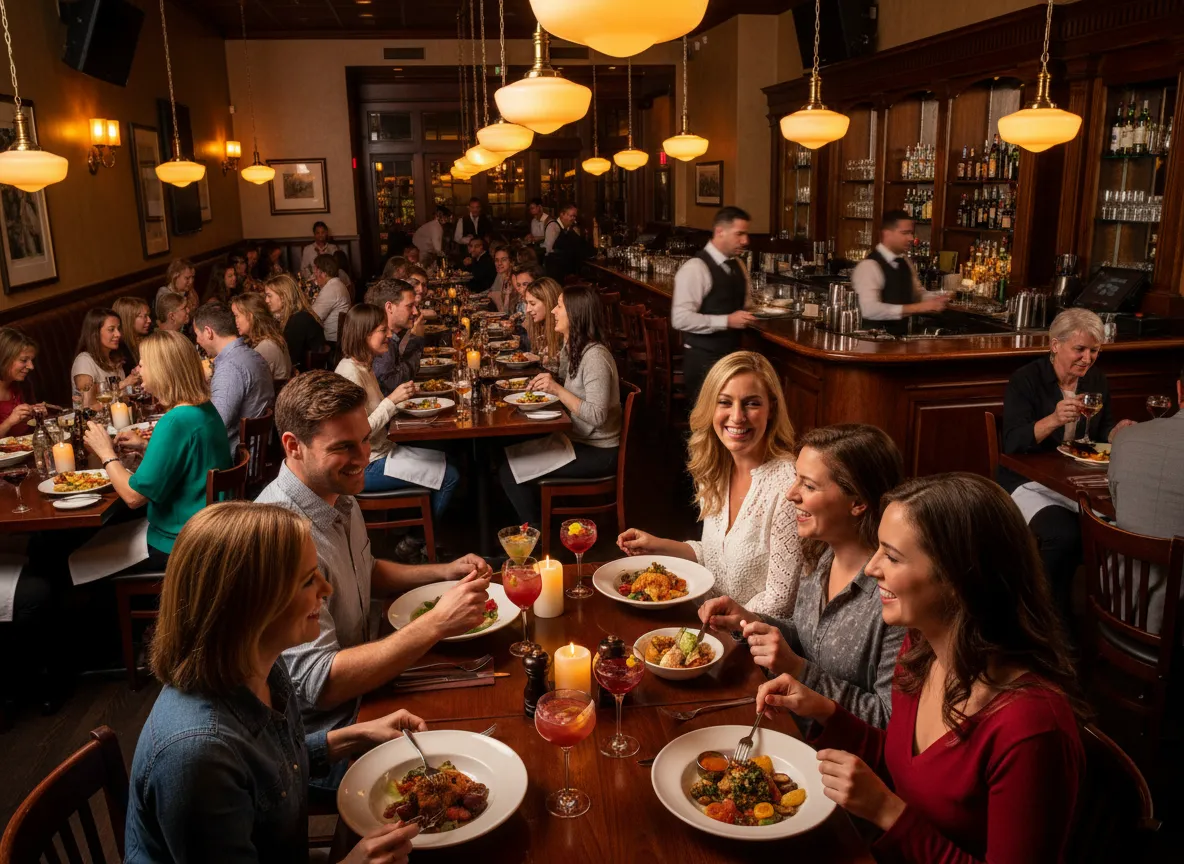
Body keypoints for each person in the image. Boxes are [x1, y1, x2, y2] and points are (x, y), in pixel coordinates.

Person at [757, 473, 1084, 863]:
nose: (872, 568)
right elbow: (910, 768)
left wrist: (887, 812)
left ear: (959, 578)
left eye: (892, 556)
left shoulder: (1031, 729)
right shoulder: (920, 651)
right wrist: (823, 710)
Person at [124, 502, 424, 864]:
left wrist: (355, 735)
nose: (326, 588)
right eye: (308, 580)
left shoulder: (264, 665)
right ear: (252, 605)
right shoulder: (197, 757)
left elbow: (273, 771)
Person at [255, 371, 494, 782]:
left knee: (490, 695)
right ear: (293, 446)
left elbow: (366, 572)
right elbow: (319, 685)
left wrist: (444, 571)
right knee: (479, 762)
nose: (364, 456)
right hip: (324, 735)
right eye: (344, 447)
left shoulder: (336, 492)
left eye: (365, 439)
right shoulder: (278, 535)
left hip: (369, 686)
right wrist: (436, 622)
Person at [698, 424, 906, 727]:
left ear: (858, 502)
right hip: (786, 727)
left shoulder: (894, 598)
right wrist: (750, 621)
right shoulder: (822, 556)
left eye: (808, 486)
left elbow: (888, 721)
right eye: (796, 479)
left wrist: (799, 670)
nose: (791, 494)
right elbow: (808, 638)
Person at [617, 351, 801, 616]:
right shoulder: (718, 468)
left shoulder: (787, 487)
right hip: (705, 624)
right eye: (725, 402)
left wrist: (721, 624)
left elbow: (781, 602)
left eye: (751, 403)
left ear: (771, 409)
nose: (737, 417)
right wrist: (657, 544)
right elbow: (717, 558)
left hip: (750, 640)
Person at [1000, 307, 1133, 617]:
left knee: (1113, 530)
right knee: (1064, 536)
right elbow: (1012, 442)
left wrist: (1119, 433)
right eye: (1080, 349)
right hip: (1028, 482)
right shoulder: (1026, 379)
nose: (1087, 358)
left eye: (1094, 350)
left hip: (1073, 481)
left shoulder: (1096, 379)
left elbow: (1104, 430)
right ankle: (1047, 623)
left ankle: (1104, 620)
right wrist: (1053, 419)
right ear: (1055, 345)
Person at [78, 330, 232, 572]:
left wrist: (106, 453)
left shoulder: (175, 420)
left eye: (142, 364)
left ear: (162, 369)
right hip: (207, 531)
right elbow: (194, 459)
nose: (138, 370)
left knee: (77, 561)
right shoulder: (202, 408)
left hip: (179, 545)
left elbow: (133, 497)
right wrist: (146, 446)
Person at [498, 284, 621, 526]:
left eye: (560, 306)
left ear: (575, 314)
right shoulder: (577, 348)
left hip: (598, 451)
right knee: (504, 452)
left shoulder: (595, 356)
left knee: (508, 471)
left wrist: (556, 388)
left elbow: (596, 415)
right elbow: (565, 381)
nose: (554, 311)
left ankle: (534, 537)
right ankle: (532, 527)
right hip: (578, 439)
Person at [335, 304, 459, 513]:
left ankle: (415, 528)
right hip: (365, 465)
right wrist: (391, 401)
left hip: (384, 451)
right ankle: (418, 540)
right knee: (450, 476)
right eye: (383, 330)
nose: (390, 335)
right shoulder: (349, 373)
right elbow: (355, 436)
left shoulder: (364, 365)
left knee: (448, 456)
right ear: (364, 335)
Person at [1105, 365, 1184, 638]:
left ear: (1179, 391)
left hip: (1117, 600)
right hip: (1173, 624)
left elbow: (1119, 506)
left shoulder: (1126, 438)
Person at [672, 206, 758, 404]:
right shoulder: (695, 268)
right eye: (740, 234)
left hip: (732, 359)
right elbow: (680, 318)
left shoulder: (739, 265)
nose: (745, 241)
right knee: (704, 423)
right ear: (720, 231)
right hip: (703, 360)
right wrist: (727, 321)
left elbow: (745, 304)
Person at [852, 210, 948, 336]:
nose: (911, 238)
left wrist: (937, 298)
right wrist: (919, 307)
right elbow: (869, 309)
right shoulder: (869, 266)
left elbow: (917, 294)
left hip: (899, 342)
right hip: (872, 344)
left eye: (911, 233)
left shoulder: (905, 262)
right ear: (887, 234)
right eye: (905, 233)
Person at [194, 303, 275, 452]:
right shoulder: (253, 355)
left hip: (237, 460)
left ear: (208, 332)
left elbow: (216, 424)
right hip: (258, 451)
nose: (198, 341)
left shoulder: (230, 366)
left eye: (197, 334)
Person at [365, 279, 424, 396]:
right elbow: (393, 384)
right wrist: (416, 339)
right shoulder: (380, 340)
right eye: (410, 306)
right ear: (390, 307)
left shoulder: (394, 334)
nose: (415, 312)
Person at [71, 307, 140, 409]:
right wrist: (124, 383)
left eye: (118, 329)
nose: (118, 334)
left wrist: (134, 383)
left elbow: (122, 400)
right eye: (111, 329)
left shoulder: (115, 360)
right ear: (95, 333)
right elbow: (87, 404)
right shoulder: (84, 361)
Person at [264, 274, 326, 371]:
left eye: (269, 296)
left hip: (306, 377)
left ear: (284, 297)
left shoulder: (298, 321)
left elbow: (289, 359)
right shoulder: (294, 317)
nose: (266, 300)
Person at [231, 292, 293, 382]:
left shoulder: (266, 346)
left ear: (250, 316)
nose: (235, 321)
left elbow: (245, 382)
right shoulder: (266, 339)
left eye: (237, 316)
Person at [0, 327, 39, 437]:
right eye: (23, 360)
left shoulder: (22, 383)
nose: (31, 366)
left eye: (31, 360)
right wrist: (10, 421)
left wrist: (35, 414)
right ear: (4, 358)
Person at [543, 203, 593, 282]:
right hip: (555, 271)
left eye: (575, 216)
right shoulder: (553, 226)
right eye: (571, 216)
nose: (573, 219)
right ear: (562, 215)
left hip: (565, 271)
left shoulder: (569, 228)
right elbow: (548, 250)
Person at [310, 254, 352, 343]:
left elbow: (312, 317)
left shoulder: (331, 288)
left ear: (323, 273)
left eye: (315, 271)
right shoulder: (337, 284)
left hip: (330, 341)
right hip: (338, 338)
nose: (314, 275)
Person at [522, 276, 563, 361]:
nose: (528, 310)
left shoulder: (563, 327)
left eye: (532, 304)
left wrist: (539, 359)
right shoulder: (537, 325)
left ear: (548, 302)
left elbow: (564, 367)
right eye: (527, 303)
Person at [114, 296, 153, 368]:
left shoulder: (148, 338)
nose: (149, 320)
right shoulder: (119, 350)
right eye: (144, 316)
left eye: (148, 315)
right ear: (128, 319)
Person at [489, 243, 514, 312]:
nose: (499, 263)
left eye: (503, 259)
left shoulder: (515, 280)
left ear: (511, 261)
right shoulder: (501, 276)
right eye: (496, 260)